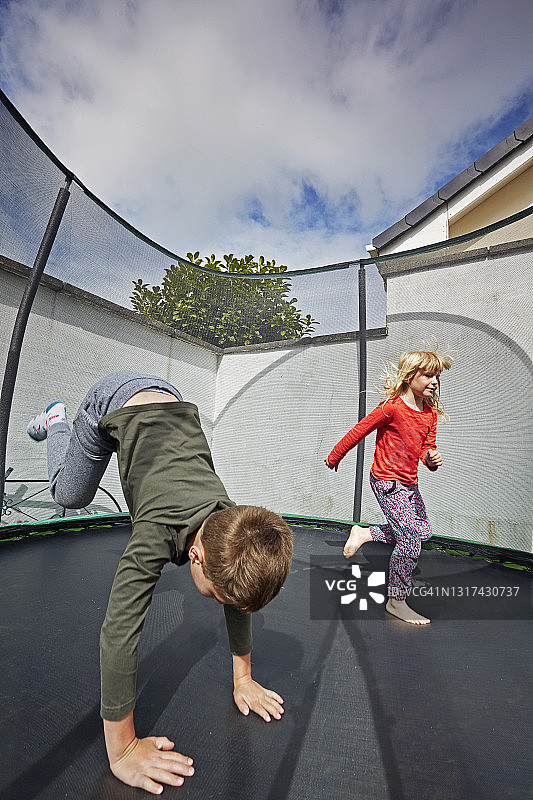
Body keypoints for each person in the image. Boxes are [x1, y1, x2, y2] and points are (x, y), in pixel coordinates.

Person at [27, 370, 293, 795]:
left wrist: (243, 678)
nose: (220, 602)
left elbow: (237, 595)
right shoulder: (155, 532)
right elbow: (118, 634)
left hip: (171, 402)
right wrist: (123, 748)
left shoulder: (234, 521)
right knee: (69, 496)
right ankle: (57, 419)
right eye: (217, 594)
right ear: (195, 554)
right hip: (113, 401)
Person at [325, 350, 452, 625]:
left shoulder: (429, 414)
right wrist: (335, 455)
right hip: (386, 481)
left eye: (437, 377)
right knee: (409, 538)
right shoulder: (391, 407)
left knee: (423, 532)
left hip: (409, 483)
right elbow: (360, 429)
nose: (434, 382)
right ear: (410, 376)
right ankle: (397, 601)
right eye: (428, 375)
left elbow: (427, 451)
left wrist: (432, 459)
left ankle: (364, 532)